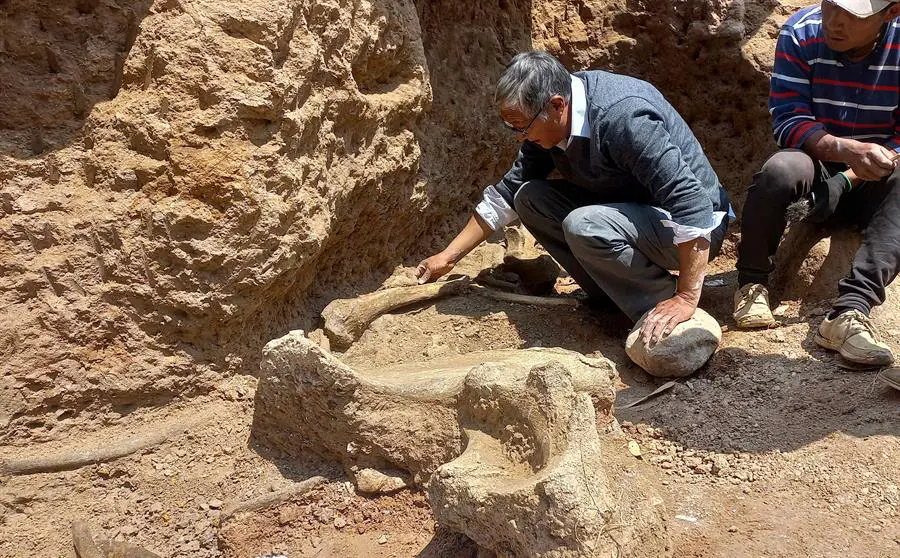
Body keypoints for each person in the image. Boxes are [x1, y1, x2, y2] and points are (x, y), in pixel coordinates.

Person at [416, 51, 732, 367]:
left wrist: (687, 297)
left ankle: (660, 303)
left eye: (522, 127)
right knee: (530, 198)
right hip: (634, 213)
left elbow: (691, 203)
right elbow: (509, 193)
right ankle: (611, 297)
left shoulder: (623, 118)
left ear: (556, 105)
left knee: (585, 224)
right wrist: (448, 257)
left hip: (695, 227)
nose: (520, 137)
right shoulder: (552, 120)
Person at [733, 0, 900, 367]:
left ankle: (848, 313)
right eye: (830, 6)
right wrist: (844, 150)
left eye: (853, 16)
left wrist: (854, 175)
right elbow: (788, 118)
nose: (834, 23)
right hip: (818, 165)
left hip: (882, 174)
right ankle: (751, 284)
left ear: (890, 12)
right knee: (781, 169)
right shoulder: (801, 31)